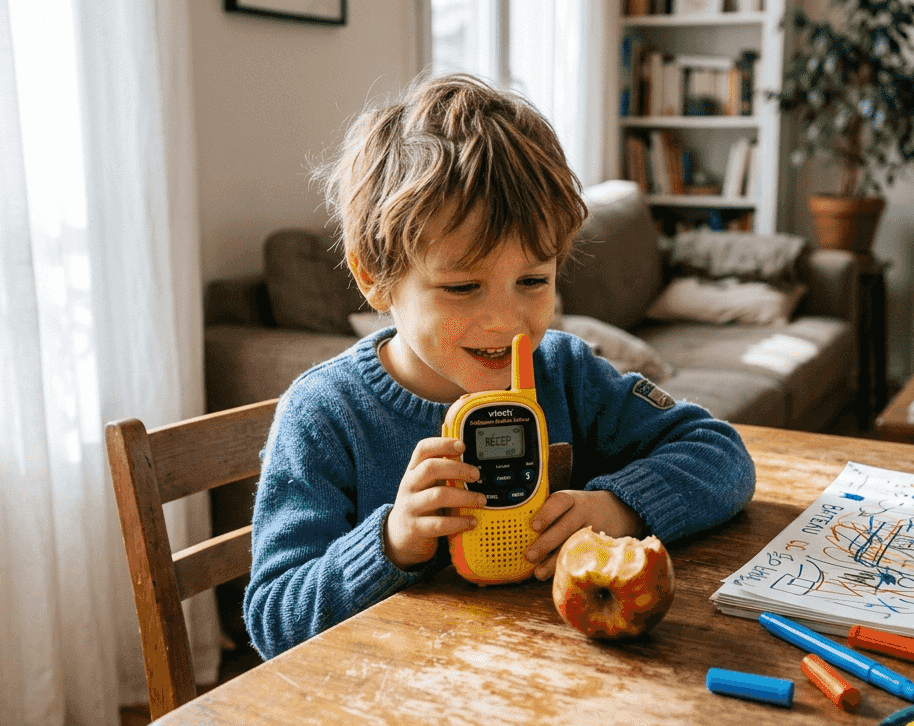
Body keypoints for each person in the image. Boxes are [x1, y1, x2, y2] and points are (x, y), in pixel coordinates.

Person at [244, 74, 754, 659]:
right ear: (373, 278)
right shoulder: (324, 415)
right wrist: (390, 543)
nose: (508, 322)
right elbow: (273, 619)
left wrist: (618, 507)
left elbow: (721, 453)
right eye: (463, 287)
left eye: (533, 281)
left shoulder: (563, 371)